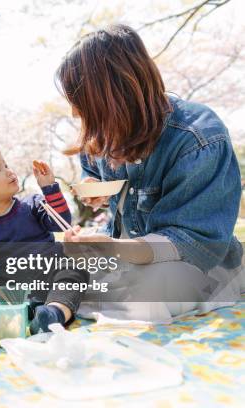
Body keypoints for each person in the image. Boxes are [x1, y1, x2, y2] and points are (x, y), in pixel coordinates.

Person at [56, 24, 242, 320]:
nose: (75, 114)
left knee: (143, 297)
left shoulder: (197, 137)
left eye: (81, 103)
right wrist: (94, 189)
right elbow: (93, 172)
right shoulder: (106, 133)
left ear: (115, 94)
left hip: (189, 263)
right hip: (124, 255)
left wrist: (114, 249)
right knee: (45, 270)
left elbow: (190, 242)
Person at [0, 149, 90, 333]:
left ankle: (54, 313)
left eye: (6, 165)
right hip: (15, 287)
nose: (9, 171)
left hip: (51, 273)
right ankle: (34, 310)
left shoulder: (32, 204)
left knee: (75, 270)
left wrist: (49, 188)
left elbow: (61, 223)